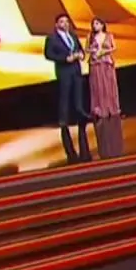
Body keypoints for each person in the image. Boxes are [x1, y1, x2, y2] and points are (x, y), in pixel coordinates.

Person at [43, 13, 91, 163]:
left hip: (76, 69)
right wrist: (64, 59)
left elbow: (80, 49)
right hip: (64, 70)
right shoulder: (52, 38)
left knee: (78, 94)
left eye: (67, 21)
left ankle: (81, 114)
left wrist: (81, 55)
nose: (65, 24)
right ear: (57, 24)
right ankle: (63, 120)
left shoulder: (73, 36)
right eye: (62, 22)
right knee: (65, 95)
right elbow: (48, 54)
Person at [86, 18, 121, 119]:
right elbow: (86, 49)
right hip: (95, 63)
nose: (95, 26)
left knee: (109, 84)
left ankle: (111, 107)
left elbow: (114, 47)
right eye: (93, 24)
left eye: (97, 23)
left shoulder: (109, 36)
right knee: (98, 85)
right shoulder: (90, 36)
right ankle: (99, 109)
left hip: (106, 62)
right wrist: (93, 51)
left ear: (102, 25)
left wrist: (105, 51)